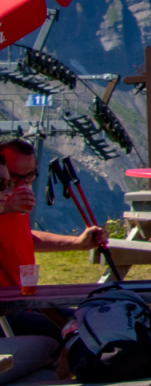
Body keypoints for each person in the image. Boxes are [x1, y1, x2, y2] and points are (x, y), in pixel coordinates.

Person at [0, 139, 104, 371]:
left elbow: (25, 237)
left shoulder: (14, 200)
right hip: (6, 314)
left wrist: (78, 243)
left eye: (30, 176)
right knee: (77, 337)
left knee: (93, 324)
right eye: (14, 177)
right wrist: (5, 206)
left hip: (25, 302)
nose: (21, 184)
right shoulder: (7, 200)